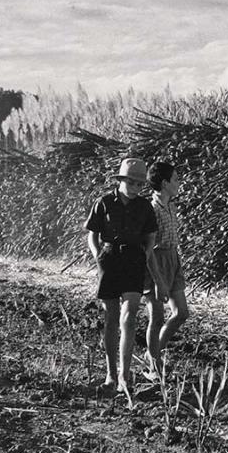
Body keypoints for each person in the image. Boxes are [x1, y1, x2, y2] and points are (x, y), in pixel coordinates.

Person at [85, 158, 160, 397]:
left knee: (129, 318)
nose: (136, 187)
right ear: (121, 180)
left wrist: (145, 254)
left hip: (134, 261)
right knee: (111, 318)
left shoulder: (145, 207)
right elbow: (92, 234)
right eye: (132, 182)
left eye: (140, 184)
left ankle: (124, 378)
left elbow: (151, 236)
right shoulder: (104, 202)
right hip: (109, 259)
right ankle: (110, 374)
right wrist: (98, 255)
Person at [144, 162, 190, 375]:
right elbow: (148, 247)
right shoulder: (151, 210)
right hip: (156, 260)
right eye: (176, 179)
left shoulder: (171, 206)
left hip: (173, 258)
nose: (179, 183)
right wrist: (156, 277)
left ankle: (153, 353)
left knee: (181, 313)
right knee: (156, 317)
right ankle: (154, 364)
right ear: (164, 183)